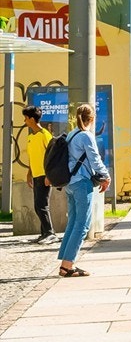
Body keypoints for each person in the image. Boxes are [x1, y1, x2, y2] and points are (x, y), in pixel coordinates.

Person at [55, 103, 109, 277]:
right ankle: (67, 266)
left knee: (73, 223)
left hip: (70, 182)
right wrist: (106, 176)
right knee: (83, 225)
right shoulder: (86, 136)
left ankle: (65, 261)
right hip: (81, 183)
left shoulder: (72, 134)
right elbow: (95, 160)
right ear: (92, 119)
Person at [21, 105, 54, 244]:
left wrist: (49, 176)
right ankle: (44, 233)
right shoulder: (30, 137)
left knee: (41, 205)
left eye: (26, 118)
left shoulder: (45, 135)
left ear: (32, 119)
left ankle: (50, 233)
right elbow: (32, 157)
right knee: (38, 205)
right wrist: (29, 173)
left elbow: (52, 156)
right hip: (36, 175)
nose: (24, 121)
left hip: (44, 175)